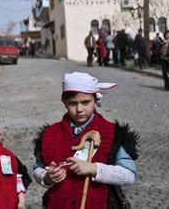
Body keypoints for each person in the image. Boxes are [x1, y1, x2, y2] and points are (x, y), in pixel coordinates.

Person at [33, 72, 139, 208]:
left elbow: (129, 175)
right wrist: (47, 177)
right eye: (73, 103)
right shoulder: (50, 134)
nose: (79, 109)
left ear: (95, 100)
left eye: (85, 102)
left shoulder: (113, 134)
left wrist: (94, 168)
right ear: (64, 102)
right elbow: (38, 168)